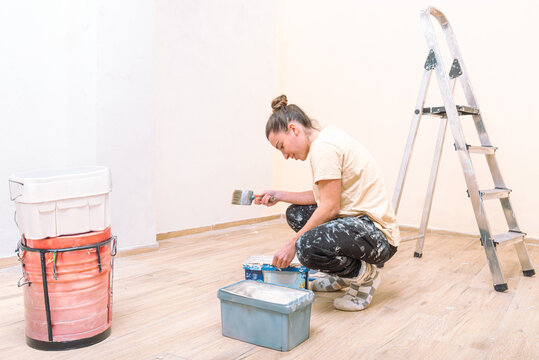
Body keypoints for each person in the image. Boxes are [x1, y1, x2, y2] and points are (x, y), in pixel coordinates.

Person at [253, 94, 400, 311]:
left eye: (281, 146)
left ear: (294, 129)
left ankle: (366, 277)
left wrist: (291, 244)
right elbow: (322, 196)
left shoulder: (324, 149)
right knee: (296, 214)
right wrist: (278, 195)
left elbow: (330, 207)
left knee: (306, 246)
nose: (285, 155)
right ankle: (341, 275)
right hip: (360, 226)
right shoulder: (326, 138)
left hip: (377, 237)